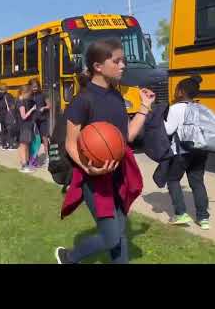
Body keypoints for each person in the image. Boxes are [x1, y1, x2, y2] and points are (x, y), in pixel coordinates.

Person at [55, 38, 155, 264]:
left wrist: (144, 107)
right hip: (94, 177)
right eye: (117, 61)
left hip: (118, 173)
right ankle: (68, 257)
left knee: (119, 233)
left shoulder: (117, 96)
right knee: (111, 237)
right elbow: (71, 144)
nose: (123, 66)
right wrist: (88, 167)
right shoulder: (82, 101)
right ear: (98, 67)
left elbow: (125, 137)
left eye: (124, 61)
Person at [163, 75, 210, 230]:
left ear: (181, 91)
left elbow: (169, 129)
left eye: (177, 89)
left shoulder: (176, 108)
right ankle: (203, 218)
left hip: (182, 151)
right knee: (197, 183)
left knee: (173, 179)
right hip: (201, 151)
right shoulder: (200, 108)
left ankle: (181, 213)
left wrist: (159, 118)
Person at [29, 78, 51, 165]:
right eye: (32, 87)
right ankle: (34, 157)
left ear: (38, 86)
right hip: (34, 120)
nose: (34, 88)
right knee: (34, 139)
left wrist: (44, 108)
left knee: (44, 138)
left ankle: (47, 157)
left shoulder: (43, 94)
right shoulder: (30, 96)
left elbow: (49, 106)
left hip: (43, 120)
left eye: (35, 87)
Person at [16, 85, 38, 173]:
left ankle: (26, 163)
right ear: (24, 93)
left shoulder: (21, 101)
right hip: (24, 126)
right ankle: (24, 165)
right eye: (29, 94)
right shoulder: (20, 103)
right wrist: (32, 109)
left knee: (25, 145)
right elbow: (23, 116)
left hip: (26, 126)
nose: (29, 95)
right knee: (23, 146)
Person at [0, 85, 17, 150]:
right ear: (6, 89)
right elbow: (12, 106)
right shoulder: (8, 95)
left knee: (2, 130)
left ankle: (4, 145)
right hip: (8, 115)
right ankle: (10, 145)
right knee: (9, 129)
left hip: (1, 115)